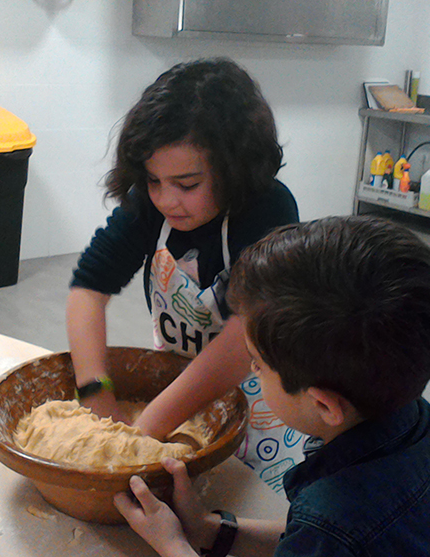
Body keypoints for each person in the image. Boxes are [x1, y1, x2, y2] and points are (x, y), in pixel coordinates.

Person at [114, 216, 430, 557]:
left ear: (324, 407)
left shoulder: (333, 520)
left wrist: (173, 545)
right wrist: (209, 529)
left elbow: (330, 535)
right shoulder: (418, 424)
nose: (251, 373)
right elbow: (321, 538)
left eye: (256, 364)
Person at [66, 57, 304, 489]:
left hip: (262, 400)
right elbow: (89, 287)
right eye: (154, 181)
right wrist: (95, 391)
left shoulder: (267, 210)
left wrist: (147, 426)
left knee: (242, 508)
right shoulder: (149, 204)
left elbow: (244, 334)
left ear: (234, 169)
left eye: (187, 184)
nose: (166, 200)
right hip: (179, 383)